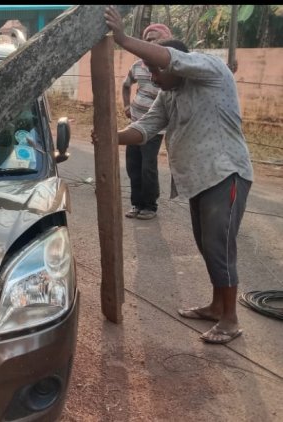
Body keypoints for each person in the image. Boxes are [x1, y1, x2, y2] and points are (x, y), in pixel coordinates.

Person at [98, 7, 254, 344]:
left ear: (176, 63)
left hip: (225, 172)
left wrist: (124, 39)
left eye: (156, 69)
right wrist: (111, 136)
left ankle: (230, 319)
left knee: (219, 245)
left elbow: (168, 57)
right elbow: (146, 128)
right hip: (198, 179)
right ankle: (215, 306)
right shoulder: (169, 94)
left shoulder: (210, 69)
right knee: (207, 244)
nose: (153, 77)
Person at [121, 23, 173, 220]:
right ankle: (136, 204)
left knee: (147, 166)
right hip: (135, 124)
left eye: (155, 39)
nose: (150, 43)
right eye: (147, 39)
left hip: (154, 129)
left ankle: (150, 205)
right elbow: (126, 86)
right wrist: (127, 106)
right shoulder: (137, 66)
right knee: (133, 164)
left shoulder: (170, 68)